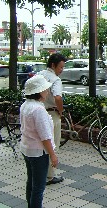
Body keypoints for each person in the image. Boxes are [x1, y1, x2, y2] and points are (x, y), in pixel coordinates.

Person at [20, 75, 58, 208]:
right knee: (39, 187)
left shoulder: (26, 105)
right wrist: (53, 155)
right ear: (39, 91)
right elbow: (45, 136)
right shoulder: (38, 110)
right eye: (45, 89)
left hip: (27, 149)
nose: (47, 91)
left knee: (31, 182)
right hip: (39, 153)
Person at [38, 53, 67, 185]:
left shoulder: (39, 75)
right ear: (53, 65)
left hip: (38, 113)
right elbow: (58, 98)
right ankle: (49, 176)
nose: (62, 70)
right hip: (51, 115)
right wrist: (60, 111)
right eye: (60, 67)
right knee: (52, 145)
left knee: (40, 144)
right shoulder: (55, 80)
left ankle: (39, 173)